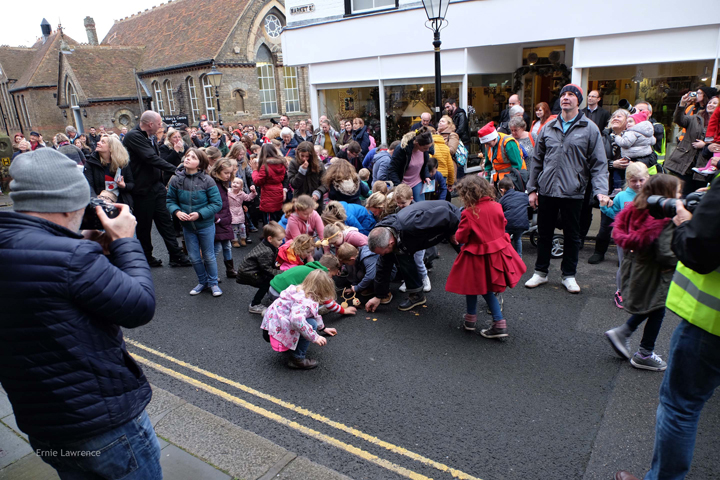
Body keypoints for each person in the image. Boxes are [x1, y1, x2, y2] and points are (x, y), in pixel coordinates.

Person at [0, 149, 162, 480]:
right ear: (68, 202)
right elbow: (139, 306)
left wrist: (78, 242)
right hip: (103, 428)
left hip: (45, 426)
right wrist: (125, 242)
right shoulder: (72, 258)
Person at [614, 169, 720, 480]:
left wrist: (685, 221)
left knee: (680, 407)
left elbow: (699, 250)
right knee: (651, 311)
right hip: (660, 288)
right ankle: (635, 343)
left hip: (710, 323)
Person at [525, 84, 609, 293]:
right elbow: (537, 160)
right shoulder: (548, 127)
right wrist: (532, 189)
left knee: (573, 236)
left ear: (578, 101)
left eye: (571, 95)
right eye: (563, 94)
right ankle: (540, 272)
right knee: (544, 233)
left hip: (574, 190)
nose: (566, 98)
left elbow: (599, 163)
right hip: (547, 189)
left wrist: (601, 191)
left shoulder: (589, 128)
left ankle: (568, 275)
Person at [603, 174, 678, 373]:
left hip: (636, 267)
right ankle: (644, 353)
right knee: (657, 307)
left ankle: (624, 333)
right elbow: (666, 254)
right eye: (677, 193)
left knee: (653, 306)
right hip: (654, 273)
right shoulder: (663, 221)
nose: (680, 197)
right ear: (666, 195)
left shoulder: (638, 209)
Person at [445, 175, 526, 337]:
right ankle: (477, 320)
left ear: (467, 194)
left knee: (474, 287)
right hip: (496, 254)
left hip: (476, 256)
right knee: (486, 288)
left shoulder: (469, 212)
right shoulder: (496, 206)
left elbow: (461, 237)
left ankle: (492, 322)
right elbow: (502, 224)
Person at [365, 201, 461, 312]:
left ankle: (485, 290)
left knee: (470, 257)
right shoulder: (384, 234)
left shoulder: (412, 224)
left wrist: (454, 231)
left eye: (383, 252)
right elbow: (383, 265)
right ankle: (417, 295)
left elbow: (445, 214)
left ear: (390, 242)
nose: (382, 255)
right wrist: (379, 295)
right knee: (400, 255)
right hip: (424, 231)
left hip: (451, 218)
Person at [125, 110, 191, 268]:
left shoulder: (150, 137)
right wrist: (175, 169)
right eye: (159, 123)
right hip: (142, 190)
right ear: (150, 124)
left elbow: (156, 159)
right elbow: (150, 158)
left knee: (166, 223)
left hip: (156, 187)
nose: (161, 126)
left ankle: (176, 256)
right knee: (144, 226)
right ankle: (147, 257)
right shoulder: (134, 136)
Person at [166, 148, 223, 296]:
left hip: (205, 225)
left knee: (209, 255)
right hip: (187, 227)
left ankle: (213, 283)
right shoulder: (176, 180)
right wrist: (177, 211)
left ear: (200, 164)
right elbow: (170, 200)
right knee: (193, 257)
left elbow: (217, 203)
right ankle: (202, 282)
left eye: (193, 157)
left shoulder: (207, 180)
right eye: (187, 156)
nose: (188, 158)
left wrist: (199, 214)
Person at [261, 270, 339, 370]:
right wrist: (315, 337)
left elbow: (312, 313)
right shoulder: (306, 301)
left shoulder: (297, 289)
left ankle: (290, 346)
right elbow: (297, 320)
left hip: (270, 325)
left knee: (309, 321)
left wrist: (323, 328)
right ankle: (297, 359)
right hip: (277, 330)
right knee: (311, 325)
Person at [598, 163, 649, 309]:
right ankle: (621, 291)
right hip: (624, 239)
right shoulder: (622, 196)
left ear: (647, 178)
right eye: (634, 180)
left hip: (645, 238)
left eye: (641, 180)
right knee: (625, 265)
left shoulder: (652, 195)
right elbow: (614, 215)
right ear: (627, 180)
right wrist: (604, 206)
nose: (638, 184)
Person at [664, 92, 714, 196]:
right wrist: (682, 104)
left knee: (696, 197)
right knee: (680, 194)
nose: (711, 105)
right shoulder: (695, 118)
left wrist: (705, 145)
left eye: (715, 103)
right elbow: (679, 120)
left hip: (704, 167)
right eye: (710, 103)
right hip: (685, 164)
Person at [236, 221, 285, 314]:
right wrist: (282, 273)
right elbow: (267, 269)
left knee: (268, 279)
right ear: (270, 238)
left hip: (252, 270)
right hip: (249, 273)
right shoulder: (266, 251)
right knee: (266, 282)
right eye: (279, 240)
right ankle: (254, 304)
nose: (281, 242)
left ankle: (270, 295)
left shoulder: (267, 245)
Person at [83, 134, 135, 207]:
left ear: (111, 148)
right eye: (99, 141)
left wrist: (124, 186)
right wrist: (97, 203)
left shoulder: (122, 163)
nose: (98, 143)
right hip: (100, 204)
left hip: (121, 202)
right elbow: (88, 186)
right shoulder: (91, 163)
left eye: (102, 142)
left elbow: (131, 184)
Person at [209, 158, 238, 279]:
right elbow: (209, 202)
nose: (228, 175)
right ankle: (212, 274)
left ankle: (230, 270)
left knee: (227, 246)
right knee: (215, 249)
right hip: (219, 220)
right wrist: (217, 219)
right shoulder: (213, 184)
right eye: (226, 173)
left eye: (230, 173)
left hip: (224, 219)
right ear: (218, 171)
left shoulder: (221, 183)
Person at [387, 127, 433, 202]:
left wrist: (426, 176)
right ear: (417, 144)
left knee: (421, 205)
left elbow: (424, 165)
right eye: (425, 148)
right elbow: (392, 169)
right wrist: (398, 185)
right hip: (403, 183)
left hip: (417, 181)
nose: (427, 150)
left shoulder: (424, 150)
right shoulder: (402, 149)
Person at [253, 143, 288, 222]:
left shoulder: (265, 166)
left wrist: (255, 171)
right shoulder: (281, 164)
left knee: (269, 220)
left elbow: (258, 181)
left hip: (268, 195)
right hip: (278, 191)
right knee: (277, 218)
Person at [498, 176, 529, 256]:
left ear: (502, 190)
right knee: (518, 238)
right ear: (513, 186)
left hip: (508, 224)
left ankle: (506, 256)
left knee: (505, 239)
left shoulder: (502, 200)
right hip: (522, 224)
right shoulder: (523, 196)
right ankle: (519, 257)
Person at [228, 177, 256, 247]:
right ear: (231, 184)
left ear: (241, 186)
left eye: (237, 183)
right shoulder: (227, 192)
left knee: (242, 227)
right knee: (234, 228)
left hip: (239, 212)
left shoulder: (242, 193)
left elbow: (248, 198)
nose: (235, 184)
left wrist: (253, 192)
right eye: (234, 182)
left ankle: (243, 239)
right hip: (231, 211)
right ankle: (235, 241)